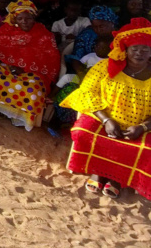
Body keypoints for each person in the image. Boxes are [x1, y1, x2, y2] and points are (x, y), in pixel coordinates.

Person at [61, 18, 151, 200]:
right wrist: (106, 120)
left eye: (145, 49)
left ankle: (116, 178)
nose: (139, 53)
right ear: (125, 50)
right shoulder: (104, 67)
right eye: (135, 49)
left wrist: (142, 127)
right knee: (82, 132)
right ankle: (98, 171)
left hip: (140, 125)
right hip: (103, 116)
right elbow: (86, 92)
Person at [0, 0, 61, 131]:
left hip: (36, 72)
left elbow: (52, 58)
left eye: (27, 18)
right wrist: (10, 65)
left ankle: (19, 117)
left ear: (33, 18)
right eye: (20, 18)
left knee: (32, 90)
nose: (24, 21)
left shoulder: (44, 34)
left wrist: (24, 68)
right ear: (14, 19)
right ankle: (5, 110)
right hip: (8, 67)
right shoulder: (6, 30)